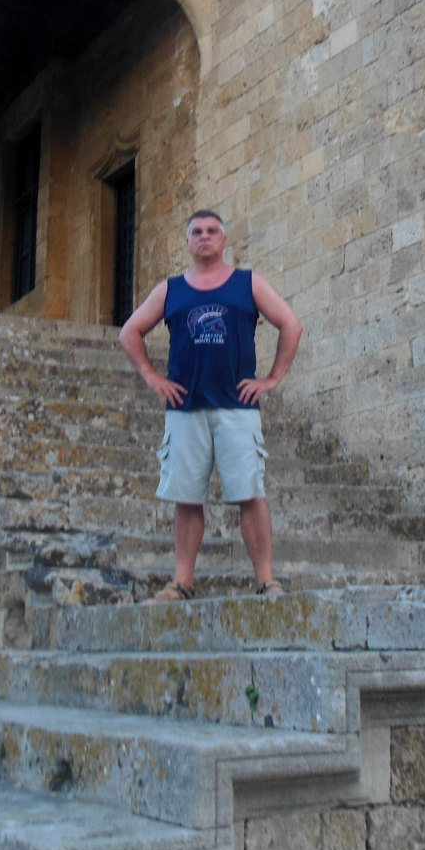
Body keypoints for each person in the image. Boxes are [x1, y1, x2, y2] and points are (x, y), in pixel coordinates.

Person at [119, 210, 303, 601]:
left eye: (212, 231)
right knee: (187, 499)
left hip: (237, 406)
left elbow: (291, 324)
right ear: (188, 242)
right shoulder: (170, 290)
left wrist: (272, 378)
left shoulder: (247, 283)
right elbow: (130, 332)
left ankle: (266, 580)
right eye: (197, 232)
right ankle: (181, 583)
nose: (205, 236)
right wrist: (153, 378)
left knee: (250, 495)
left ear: (223, 240)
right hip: (185, 407)